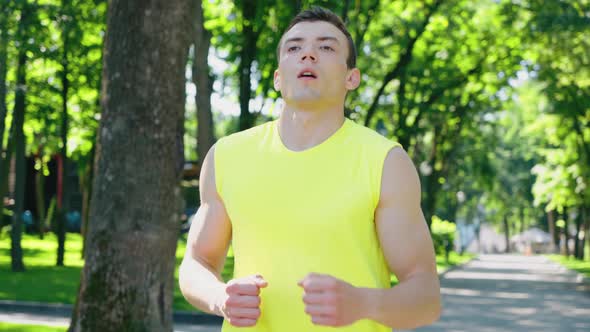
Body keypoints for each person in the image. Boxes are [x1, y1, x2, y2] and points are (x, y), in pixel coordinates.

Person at [179, 6, 441, 331]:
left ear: (351, 77)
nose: (308, 55)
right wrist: (220, 297)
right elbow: (196, 263)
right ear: (277, 77)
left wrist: (364, 303)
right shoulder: (226, 157)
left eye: (326, 47)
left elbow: (426, 296)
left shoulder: (386, 162)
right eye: (294, 47)